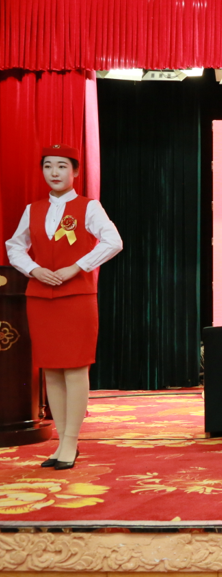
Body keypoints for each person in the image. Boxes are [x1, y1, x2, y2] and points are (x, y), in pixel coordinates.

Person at [5, 144, 123, 470]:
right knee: (51, 369)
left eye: (61, 166)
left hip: (76, 297)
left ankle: (71, 441)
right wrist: (33, 269)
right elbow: (14, 246)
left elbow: (113, 241)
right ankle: (60, 443)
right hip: (40, 298)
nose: (54, 172)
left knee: (75, 368)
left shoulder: (89, 207)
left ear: (75, 172)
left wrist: (77, 267)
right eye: (47, 166)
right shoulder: (33, 209)